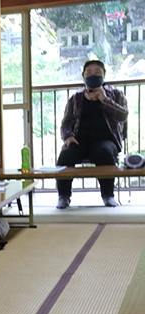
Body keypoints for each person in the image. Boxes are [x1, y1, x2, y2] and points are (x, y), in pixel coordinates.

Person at [55, 60, 128, 209]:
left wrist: (104, 100)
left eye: (97, 73)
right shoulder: (75, 98)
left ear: (104, 77)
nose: (93, 75)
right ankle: (63, 196)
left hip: (106, 139)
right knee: (65, 155)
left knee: (103, 152)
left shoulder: (116, 94)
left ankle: (108, 195)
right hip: (79, 140)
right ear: (83, 77)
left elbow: (123, 116)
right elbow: (66, 122)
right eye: (89, 72)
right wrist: (68, 136)